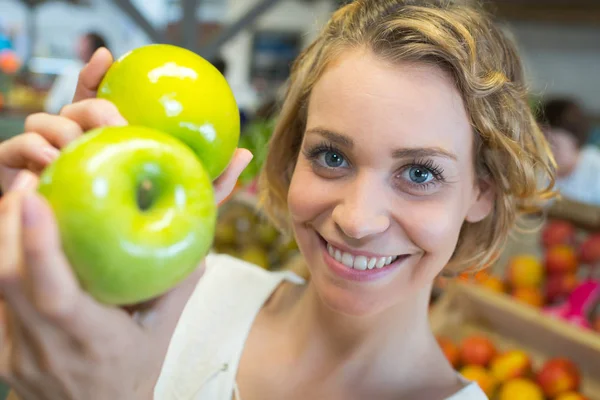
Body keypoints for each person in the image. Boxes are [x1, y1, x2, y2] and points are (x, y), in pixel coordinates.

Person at [0, 1, 555, 399]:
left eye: (420, 172)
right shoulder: (172, 299)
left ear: (481, 190)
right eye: (332, 157)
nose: (358, 221)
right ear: (292, 157)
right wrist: (51, 235)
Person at [540, 98, 600, 206]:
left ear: (575, 144)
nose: (547, 151)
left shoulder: (596, 170)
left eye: (554, 145)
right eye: (542, 143)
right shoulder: (536, 170)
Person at [44, 32, 109, 115]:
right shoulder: (71, 71)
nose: (78, 47)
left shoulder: (70, 72)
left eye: (82, 44)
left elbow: (52, 106)